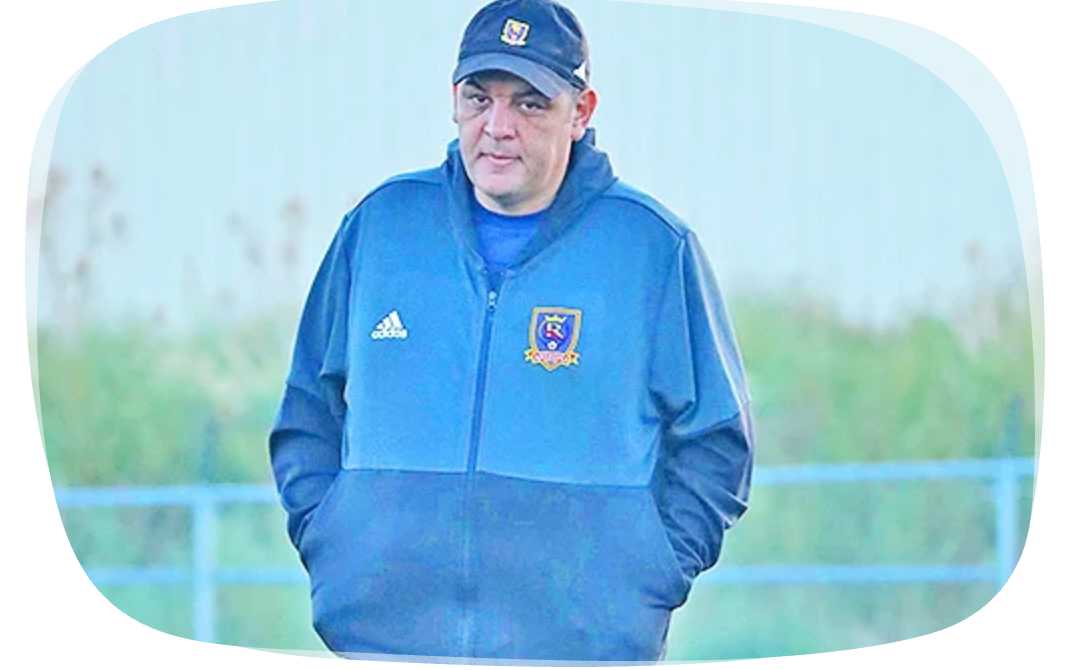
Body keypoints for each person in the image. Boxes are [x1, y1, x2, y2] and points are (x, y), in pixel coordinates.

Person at [269, 0, 754, 662]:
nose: (498, 127)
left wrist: (645, 576)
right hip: (385, 643)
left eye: (530, 104)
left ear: (580, 112)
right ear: (454, 101)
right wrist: (337, 543)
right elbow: (307, 409)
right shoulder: (380, 229)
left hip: (578, 649)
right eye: (480, 98)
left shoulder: (651, 248)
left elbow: (717, 443)